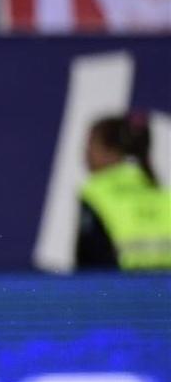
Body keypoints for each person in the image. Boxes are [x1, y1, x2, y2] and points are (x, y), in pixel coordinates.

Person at [76, 112, 171, 271]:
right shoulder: (161, 193)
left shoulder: (96, 193)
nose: (85, 154)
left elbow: (90, 258)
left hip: (119, 289)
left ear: (110, 150)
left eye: (90, 145)